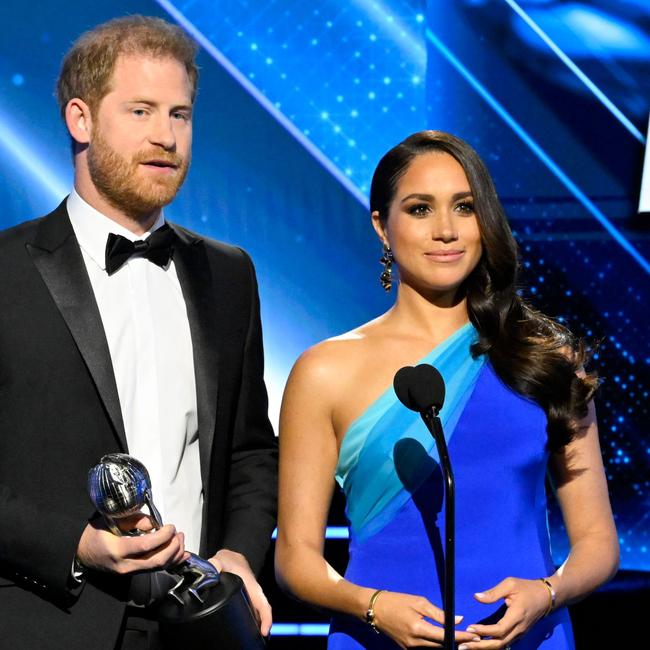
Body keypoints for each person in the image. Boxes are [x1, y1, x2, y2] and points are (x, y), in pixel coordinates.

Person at [275, 131, 619, 649]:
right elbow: (295, 560)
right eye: (419, 209)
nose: (445, 230)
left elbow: (597, 543)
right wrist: (371, 606)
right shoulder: (325, 371)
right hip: (377, 639)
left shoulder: (546, 360)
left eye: (464, 206)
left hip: (529, 638)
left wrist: (547, 593)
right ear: (381, 227)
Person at [0, 16, 277, 650]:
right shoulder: (5, 272)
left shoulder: (229, 274)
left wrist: (237, 554)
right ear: (81, 119)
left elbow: (251, 451)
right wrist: (74, 543)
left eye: (180, 115)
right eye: (142, 111)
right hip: (48, 620)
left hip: (201, 627)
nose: (165, 137)